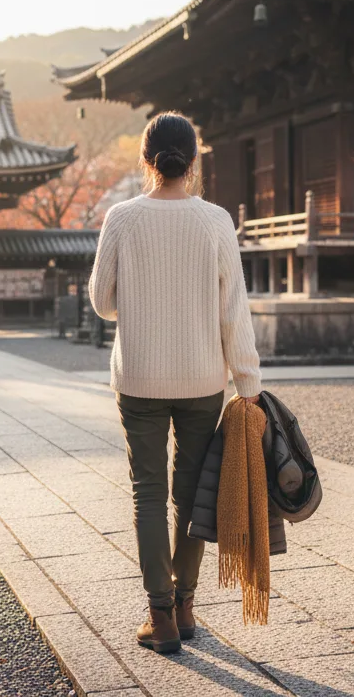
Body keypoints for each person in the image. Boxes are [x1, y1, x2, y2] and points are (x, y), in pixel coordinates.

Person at [89, 111, 262, 655]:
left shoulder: (121, 217)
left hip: (138, 377)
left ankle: (159, 616)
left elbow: (102, 301)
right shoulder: (215, 221)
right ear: (194, 162)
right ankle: (186, 605)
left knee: (148, 495)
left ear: (147, 161)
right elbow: (234, 310)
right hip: (201, 378)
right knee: (191, 494)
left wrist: (138, 302)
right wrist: (247, 382)